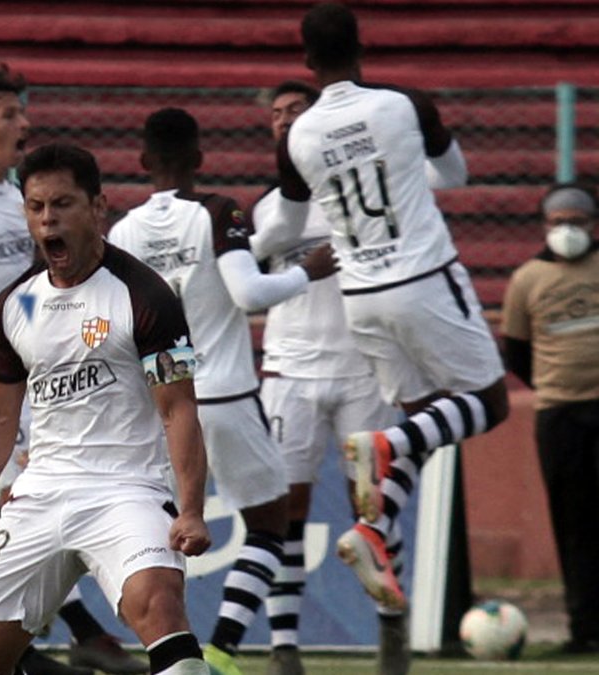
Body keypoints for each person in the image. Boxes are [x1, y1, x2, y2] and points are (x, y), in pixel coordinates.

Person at [0, 142, 214, 675]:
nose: (47, 220)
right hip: (40, 491)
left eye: (62, 204)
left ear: (98, 208)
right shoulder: (15, 304)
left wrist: (192, 508)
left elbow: (178, 409)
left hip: (125, 490)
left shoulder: (145, 296)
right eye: (36, 206)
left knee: (160, 608)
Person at [0, 66, 148, 675]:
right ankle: (85, 629)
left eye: (23, 113)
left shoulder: (24, 194)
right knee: (26, 491)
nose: (24, 123)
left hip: (45, 360)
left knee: (31, 494)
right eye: (11, 115)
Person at [277, 1, 509, 615]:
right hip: (424, 277)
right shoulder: (403, 104)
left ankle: (373, 532)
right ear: (361, 47)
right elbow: (454, 175)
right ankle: (380, 447)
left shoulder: (298, 134)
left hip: (360, 297)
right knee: (487, 403)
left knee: (425, 423)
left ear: (307, 59)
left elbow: (293, 217)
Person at [107, 108, 337, 675]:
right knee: (270, 523)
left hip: (160, 403)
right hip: (225, 394)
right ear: (200, 158)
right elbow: (249, 292)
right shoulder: (216, 212)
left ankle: (170, 649)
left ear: (142, 162)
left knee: (161, 532)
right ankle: (221, 649)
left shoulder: (122, 231)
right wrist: (309, 271)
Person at [252, 81, 408, 675]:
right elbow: (247, 283)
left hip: (362, 366)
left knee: (371, 506)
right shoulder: (267, 209)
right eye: (275, 113)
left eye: (296, 110)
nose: (285, 121)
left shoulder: (360, 192)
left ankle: (391, 630)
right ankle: (284, 646)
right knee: (284, 507)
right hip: (291, 367)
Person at [501, 182, 599, 655]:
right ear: (544, 225)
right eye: (558, 221)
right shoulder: (527, 279)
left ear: (593, 224)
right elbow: (516, 351)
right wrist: (555, 386)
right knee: (573, 522)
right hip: (559, 414)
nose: (567, 230)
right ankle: (584, 627)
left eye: (576, 221)